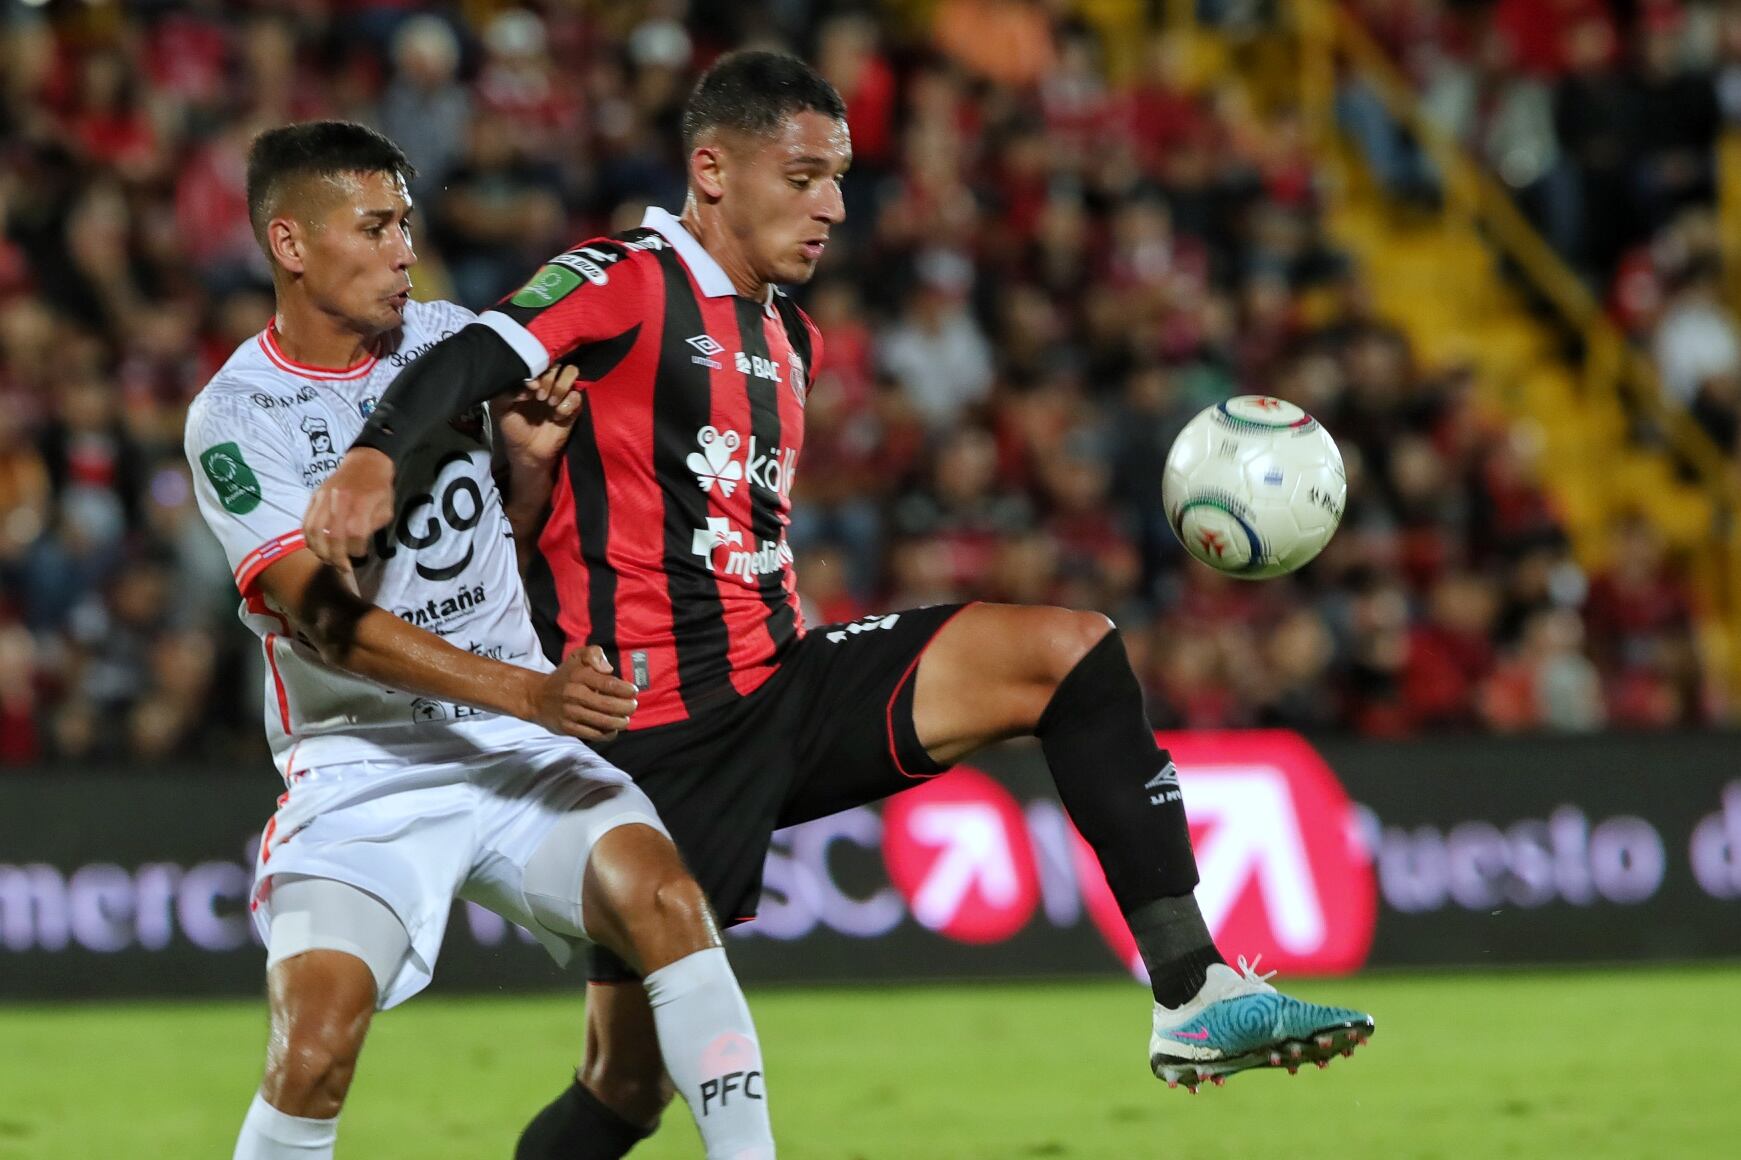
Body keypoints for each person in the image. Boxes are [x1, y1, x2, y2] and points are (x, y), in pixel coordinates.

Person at [302, 53, 1375, 1155]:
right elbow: (477, 351)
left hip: (789, 683)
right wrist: (380, 456)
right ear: (711, 170)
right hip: (656, 739)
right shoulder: (622, 274)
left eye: (841, 179)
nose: (834, 206)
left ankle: (1192, 989)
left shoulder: (790, 337)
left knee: (1069, 650)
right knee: (623, 1088)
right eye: (805, 176)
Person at [186, 121, 775, 1160]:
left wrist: (531, 466)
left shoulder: (443, 338)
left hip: (513, 749)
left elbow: (486, 531)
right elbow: (324, 623)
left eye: (405, 222)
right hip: (362, 765)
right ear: (290, 244)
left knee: (668, 899)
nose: (403, 247)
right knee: (315, 1045)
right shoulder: (238, 416)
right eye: (372, 227)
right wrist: (532, 692)